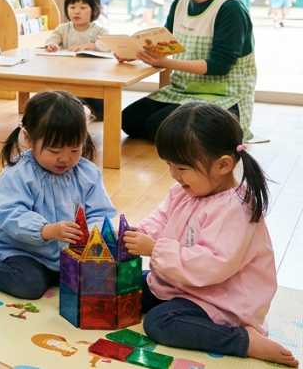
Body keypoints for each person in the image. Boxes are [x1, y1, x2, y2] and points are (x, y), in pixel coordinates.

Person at [122, 103, 296, 367]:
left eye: (181, 168)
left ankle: (242, 341)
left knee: (160, 323)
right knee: (129, 284)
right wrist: (140, 233)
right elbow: (161, 217)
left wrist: (155, 249)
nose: (173, 175)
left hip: (221, 300)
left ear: (223, 165)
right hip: (182, 284)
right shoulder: (185, 191)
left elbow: (211, 266)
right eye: (169, 165)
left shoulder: (237, 209)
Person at [0, 91, 115, 299]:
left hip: (69, 254)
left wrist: (92, 234)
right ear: (28, 139)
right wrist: (45, 230)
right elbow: (10, 215)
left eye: (74, 149)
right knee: (29, 284)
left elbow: (101, 212)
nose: (65, 159)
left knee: (106, 277)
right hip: (23, 252)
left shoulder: (87, 173)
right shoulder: (18, 174)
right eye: (54, 150)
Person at [120, 0, 256, 141]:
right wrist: (134, 53)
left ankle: (226, 128)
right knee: (129, 120)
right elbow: (163, 43)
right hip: (183, 91)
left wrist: (166, 63)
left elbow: (219, 66)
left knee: (159, 126)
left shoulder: (230, 8)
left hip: (225, 98)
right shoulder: (180, 3)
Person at [45, 0, 108, 117]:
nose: (76, 12)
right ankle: (78, 109)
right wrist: (52, 45)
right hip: (68, 77)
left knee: (101, 110)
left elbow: (108, 45)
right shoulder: (63, 29)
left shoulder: (99, 30)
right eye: (72, 7)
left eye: (83, 8)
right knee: (63, 101)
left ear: (94, 10)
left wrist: (93, 46)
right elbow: (52, 38)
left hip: (92, 79)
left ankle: (86, 110)